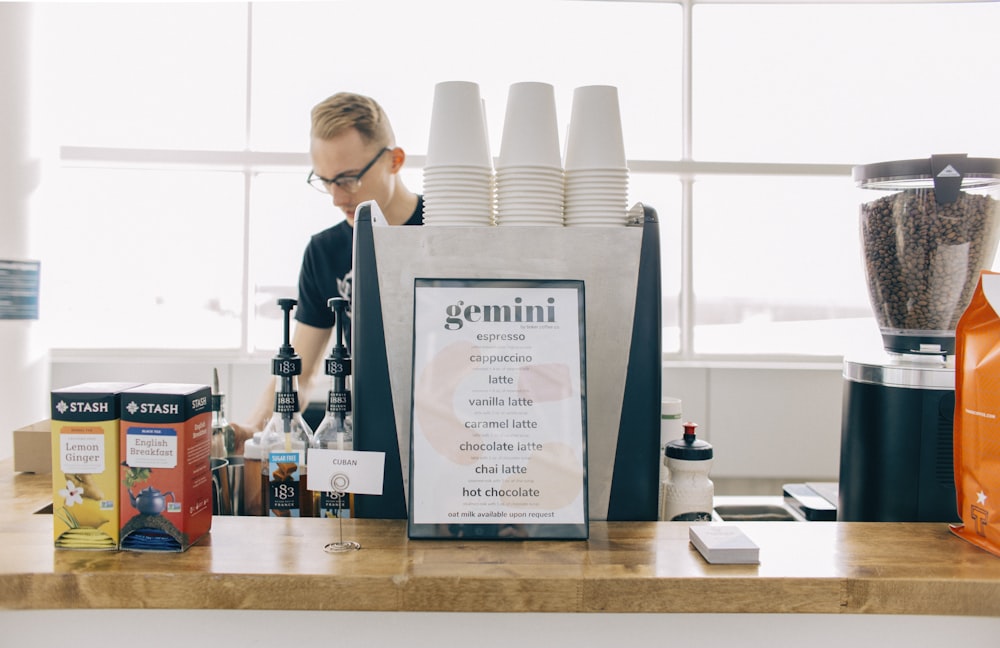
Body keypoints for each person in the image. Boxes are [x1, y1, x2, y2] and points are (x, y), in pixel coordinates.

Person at [237, 92, 423, 442]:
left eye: (348, 179)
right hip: (367, 432)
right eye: (325, 181)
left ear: (395, 161)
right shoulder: (324, 252)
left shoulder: (448, 228)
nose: (337, 198)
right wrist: (251, 432)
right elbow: (300, 375)